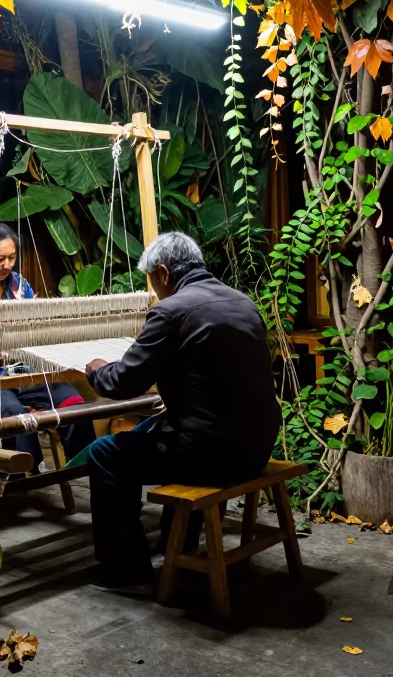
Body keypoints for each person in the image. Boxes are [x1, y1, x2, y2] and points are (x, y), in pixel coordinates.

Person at [82, 231, 280, 593]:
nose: (154, 290)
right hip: (257, 445)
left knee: (105, 453)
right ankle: (180, 544)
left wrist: (97, 369)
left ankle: (129, 571)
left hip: (214, 456)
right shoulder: (241, 302)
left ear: (164, 273)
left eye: (152, 281)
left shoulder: (170, 311)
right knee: (162, 430)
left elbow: (124, 383)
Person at [0, 223, 93, 461]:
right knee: (11, 412)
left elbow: (34, 327)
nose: (8, 265)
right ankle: (22, 471)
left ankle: (84, 463)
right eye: (0, 259)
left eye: (12, 257)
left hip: (20, 369)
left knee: (71, 399)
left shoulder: (19, 285)